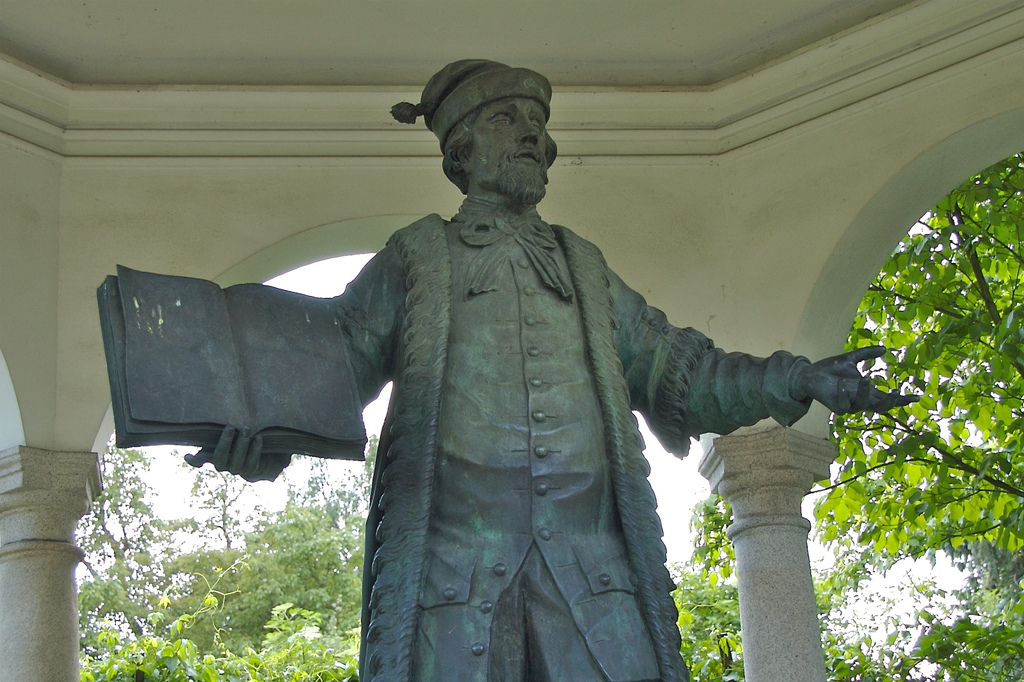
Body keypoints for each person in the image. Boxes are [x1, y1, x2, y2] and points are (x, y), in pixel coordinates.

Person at [186, 60, 914, 682]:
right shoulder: (417, 255)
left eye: (537, 122)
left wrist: (794, 380)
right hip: (456, 580)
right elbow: (333, 365)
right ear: (460, 154)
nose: (535, 135)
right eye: (508, 119)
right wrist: (255, 432)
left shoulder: (585, 266)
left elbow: (681, 368)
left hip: (594, 580)